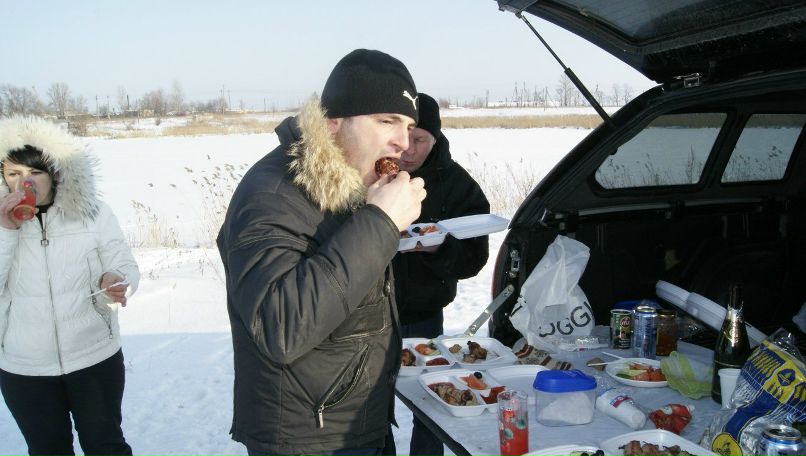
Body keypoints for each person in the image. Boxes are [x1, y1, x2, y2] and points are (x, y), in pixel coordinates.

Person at [217, 49, 426, 456]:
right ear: (333, 126)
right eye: (386, 120)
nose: (404, 141)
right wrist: (380, 222)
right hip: (307, 439)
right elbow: (282, 327)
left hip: (360, 422)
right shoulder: (271, 194)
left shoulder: (352, 188)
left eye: (409, 124)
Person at [0, 115, 140, 456]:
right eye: (13, 173)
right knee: (48, 450)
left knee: (106, 446)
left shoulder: (93, 213)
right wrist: (5, 231)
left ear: (56, 173)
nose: (24, 184)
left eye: (34, 173)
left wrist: (117, 281)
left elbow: (124, 265)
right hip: (24, 367)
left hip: (93, 357)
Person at [393, 93, 490, 456]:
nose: (409, 149)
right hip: (366, 316)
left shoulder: (457, 184)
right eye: (406, 135)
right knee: (368, 409)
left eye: (421, 140)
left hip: (423, 314)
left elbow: (473, 259)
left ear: (436, 139)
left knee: (433, 406)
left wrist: (440, 247)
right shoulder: (369, 173)